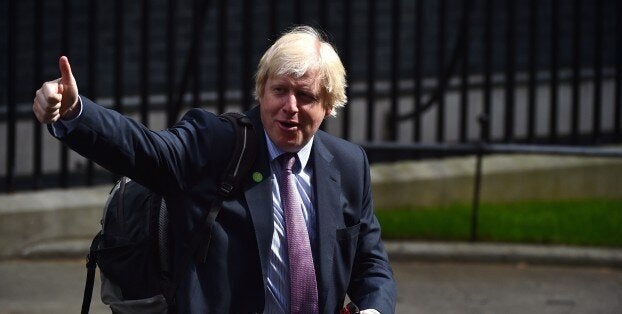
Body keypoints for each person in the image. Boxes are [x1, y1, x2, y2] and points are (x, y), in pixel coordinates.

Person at [33, 26, 396, 313]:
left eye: (305, 96)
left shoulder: (349, 165)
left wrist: (373, 309)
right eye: (279, 90)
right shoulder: (216, 142)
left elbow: (371, 264)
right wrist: (75, 112)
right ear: (261, 91)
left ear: (330, 104)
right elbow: (146, 150)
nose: (290, 106)